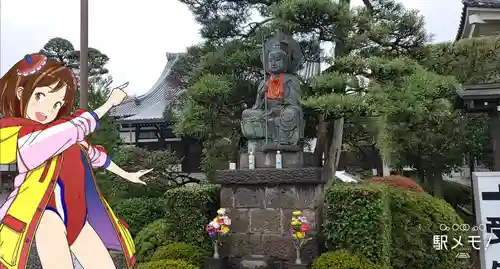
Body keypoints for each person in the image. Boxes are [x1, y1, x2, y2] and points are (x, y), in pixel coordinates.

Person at [0, 53, 150, 269]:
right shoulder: (24, 137)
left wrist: (128, 174)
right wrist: (108, 103)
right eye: (41, 97)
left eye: (57, 103)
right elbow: (73, 130)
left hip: (76, 214)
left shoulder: (66, 135)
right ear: (21, 93)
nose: (48, 111)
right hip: (43, 213)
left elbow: (95, 156)